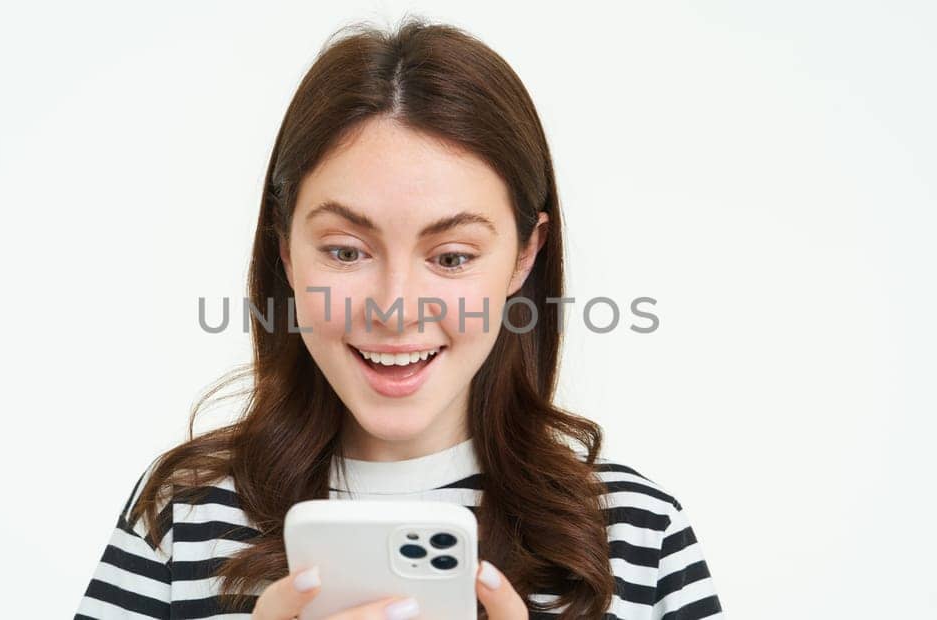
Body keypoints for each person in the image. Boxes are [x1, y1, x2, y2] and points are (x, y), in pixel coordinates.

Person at [76, 17, 722, 620]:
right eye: (346, 251)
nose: (395, 308)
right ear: (285, 250)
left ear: (524, 257)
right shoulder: (180, 520)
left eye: (451, 256)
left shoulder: (637, 535)